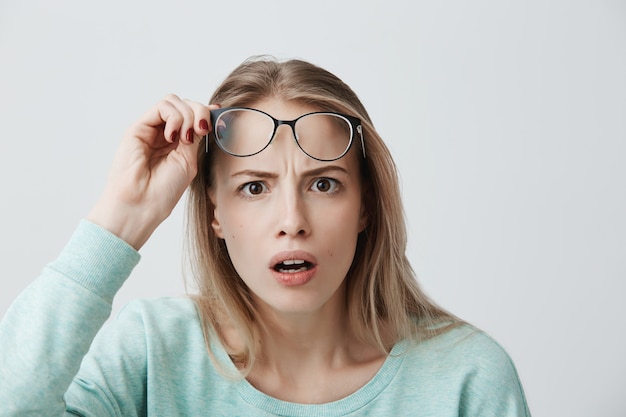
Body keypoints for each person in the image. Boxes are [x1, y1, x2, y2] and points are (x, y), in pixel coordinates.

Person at [0, 57, 531, 416]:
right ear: (215, 215)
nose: (292, 219)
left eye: (323, 183)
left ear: (366, 205)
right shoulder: (151, 354)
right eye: (255, 187)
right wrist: (121, 218)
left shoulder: (466, 378)